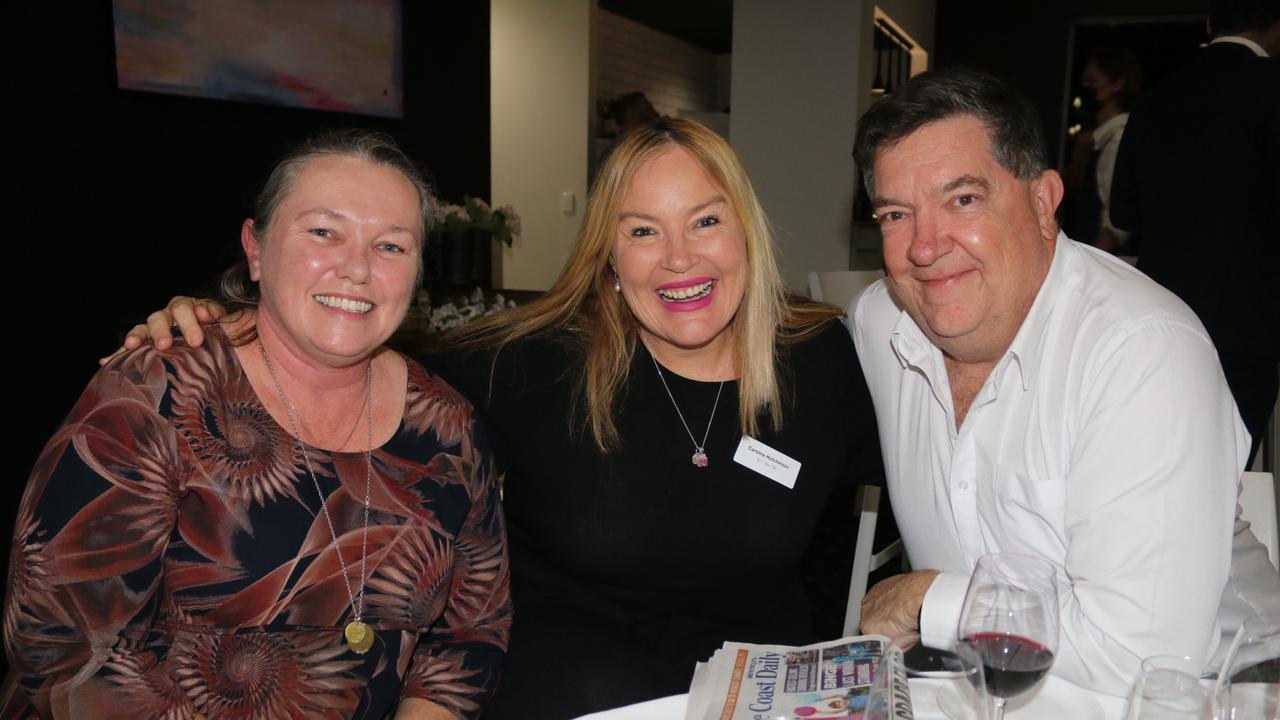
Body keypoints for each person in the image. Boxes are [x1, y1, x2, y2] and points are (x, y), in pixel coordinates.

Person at [99, 118, 883, 719]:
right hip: (578, 689)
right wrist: (226, 316)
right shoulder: (532, 366)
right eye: (642, 230)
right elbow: (351, 335)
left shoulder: (819, 360)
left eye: (706, 221)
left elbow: (878, 521)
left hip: (755, 691)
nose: (679, 258)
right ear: (609, 258)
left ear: (748, 231)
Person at [3, 131, 511, 719]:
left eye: (391, 247)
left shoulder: (446, 425)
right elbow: (62, 656)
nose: (357, 269)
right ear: (256, 248)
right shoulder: (155, 395)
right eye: (324, 232)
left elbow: (472, 633)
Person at [848, 66, 1280, 700]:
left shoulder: (1141, 351)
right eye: (895, 214)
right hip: (984, 686)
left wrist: (926, 600)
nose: (924, 245)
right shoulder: (879, 321)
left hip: (1210, 695)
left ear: (1043, 201)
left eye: (963, 199)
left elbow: (1146, 658)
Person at [1111, 0, 1280, 467]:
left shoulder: (1158, 98)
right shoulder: (1271, 91)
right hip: (1250, 322)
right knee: (1229, 479)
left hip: (1162, 314)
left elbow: (1124, 213)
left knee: (1157, 463)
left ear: (1209, 25)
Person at [1063, 47, 1142, 253]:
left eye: (1092, 82)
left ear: (1117, 84)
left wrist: (1085, 269)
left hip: (1103, 266)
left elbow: (1116, 226)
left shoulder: (1118, 141)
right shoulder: (1099, 140)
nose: (1084, 88)